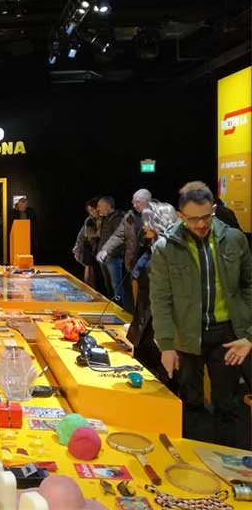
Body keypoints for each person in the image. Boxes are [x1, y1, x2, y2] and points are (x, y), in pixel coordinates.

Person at [150, 182, 252, 447]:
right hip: (186, 336)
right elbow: (160, 299)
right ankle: (195, 460)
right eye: (193, 219)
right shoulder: (165, 248)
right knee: (190, 403)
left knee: (228, 405)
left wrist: (249, 335)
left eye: (207, 216)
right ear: (180, 216)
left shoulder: (234, 239)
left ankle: (229, 462)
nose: (201, 224)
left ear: (214, 210)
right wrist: (166, 345)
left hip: (227, 335)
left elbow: (249, 286)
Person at [127, 201, 178, 388]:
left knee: (162, 374)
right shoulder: (150, 248)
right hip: (145, 318)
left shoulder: (170, 250)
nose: (143, 226)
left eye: (147, 222)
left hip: (159, 323)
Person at [98, 189, 152, 309]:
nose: (134, 205)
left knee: (150, 295)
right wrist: (105, 250)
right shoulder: (129, 217)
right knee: (135, 293)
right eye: (133, 202)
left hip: (152, 262)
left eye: (137, 202)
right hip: (133, 261)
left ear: (147, 201)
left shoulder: (158, 214)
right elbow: (118, 235)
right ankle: (136, 315)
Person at [95, 196, 125, 307]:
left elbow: (120, 239)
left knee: (116, 285)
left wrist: (111, 254)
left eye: (100, 206)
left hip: (113, 258)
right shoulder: (106, 218)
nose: (98, 209)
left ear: (107, 206)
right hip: (104, 257)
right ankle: (112, 306)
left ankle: (120, 308)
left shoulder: (118, 219)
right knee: (108, 284)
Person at [73, 197, 101, 290]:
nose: (91, 212)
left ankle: (93, 289)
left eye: (93, 209)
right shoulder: (89, 220)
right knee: (89, 267)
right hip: (86, 246)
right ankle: (89, 289)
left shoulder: (104, 218)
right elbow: (87, 235)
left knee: (93, 269)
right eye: (89, 210)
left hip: (97, 247)